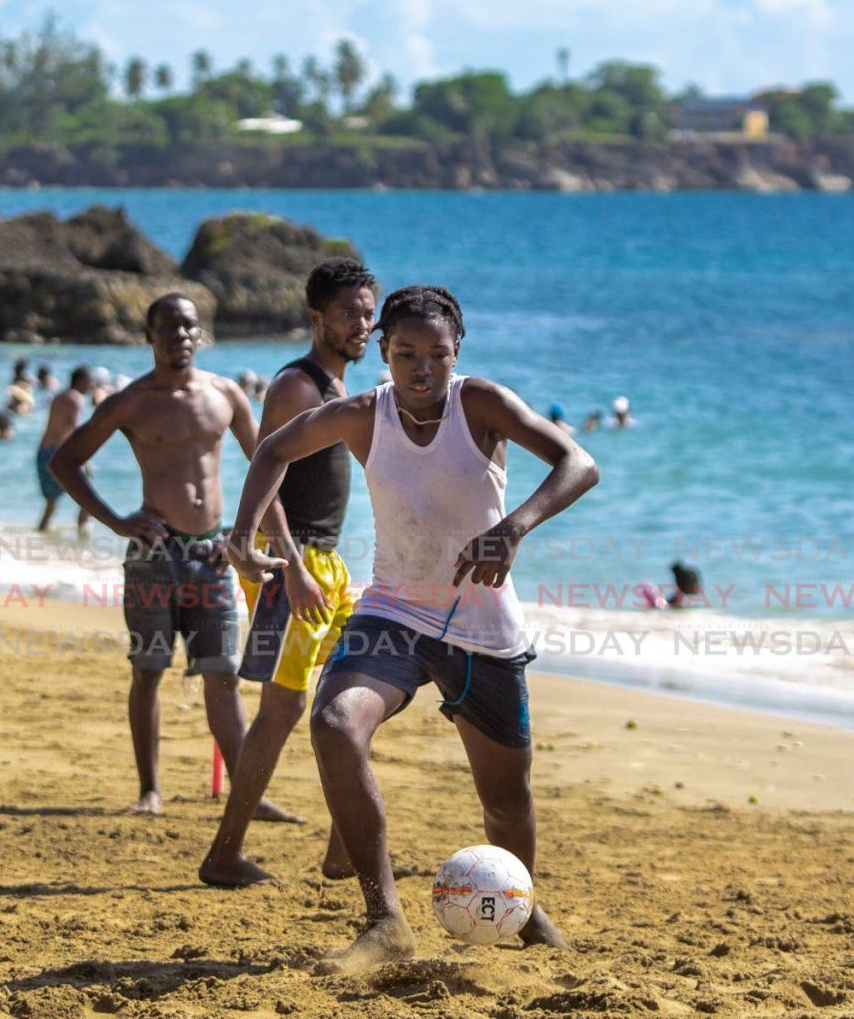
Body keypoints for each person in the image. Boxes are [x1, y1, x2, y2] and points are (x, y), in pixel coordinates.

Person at [227, 285, 599, 969]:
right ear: (382, 352)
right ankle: (383, 920)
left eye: (436, 354)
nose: (420, 368)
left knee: (506, 804)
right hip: (393, 610)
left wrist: (513, 527)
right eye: (404, 354)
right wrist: (246, 534)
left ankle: (521, 910)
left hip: (481, 626)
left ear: (457, 354)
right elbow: (272, 449)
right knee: (335, 723)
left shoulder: (479, 403)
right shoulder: (361, 415)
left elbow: (579, 463)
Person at [50, 294, 299, 820]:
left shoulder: (225, 393)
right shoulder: (130, 401)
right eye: (167, 328)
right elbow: (65, 462)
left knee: (222, 675)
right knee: (149, 669)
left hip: (211, 555)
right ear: (149, 334)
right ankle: (150, 790)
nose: (179, 336)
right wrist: (117, 521)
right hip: (153, 559)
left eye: (188, 327)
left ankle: (246, 796)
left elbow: (266, 468)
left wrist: (253, 537)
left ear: (200, 334)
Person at [200, 257, 376, 888]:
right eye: (349, 312)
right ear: (316, 317)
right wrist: (294, 568)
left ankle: (340, 852)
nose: (362, 322)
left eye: (366, 310)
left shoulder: (340, 390)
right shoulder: (297, 385)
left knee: (353, 695)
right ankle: (225, 854)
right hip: (290, 562)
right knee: (283, 710)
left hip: (326, 562)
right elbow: (263, 472)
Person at [36, 367, 94, 533]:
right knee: (87, 494)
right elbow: (75, 429)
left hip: (43, 452)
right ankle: (83, 531)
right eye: (89, 382)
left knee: (51, 503)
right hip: (58, 453)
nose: (91, 386)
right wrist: (85, 458)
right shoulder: (76, 399)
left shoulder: (59, 396)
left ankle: (41, 533)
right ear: (80, 381)